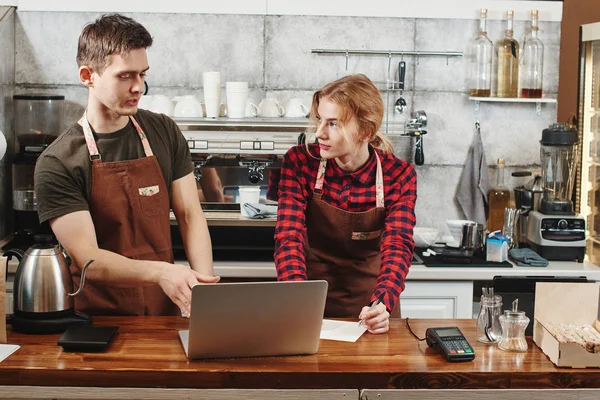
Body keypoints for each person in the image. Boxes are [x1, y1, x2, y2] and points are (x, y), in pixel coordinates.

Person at [34, 14, 219, 318]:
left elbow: (189, 214)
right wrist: (162, 273)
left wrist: (205, 287)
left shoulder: (163, 131)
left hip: (166, 312)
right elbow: (87, 260)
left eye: (143, 75)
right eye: (125, 76)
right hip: (98, 320)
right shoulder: (59, 162)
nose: (138, 88)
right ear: (87, 75)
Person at [273, 74, 417, 334]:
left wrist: (382, 303)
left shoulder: (399, 175)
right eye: (319, 120)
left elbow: (398, 243)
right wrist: (296, 299)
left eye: (333, 124)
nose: (319, 133)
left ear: (365, 131)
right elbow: (288, 237)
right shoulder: (299, 163)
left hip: (373, 308)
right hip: (310, 304)